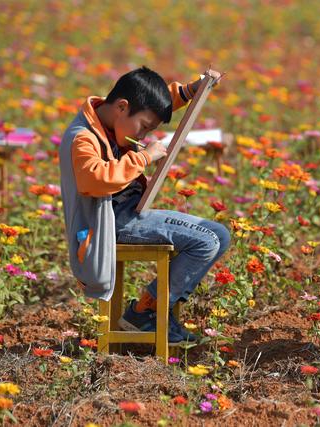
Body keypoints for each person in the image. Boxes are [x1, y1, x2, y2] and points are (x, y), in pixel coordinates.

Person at [59, 66, 230, 343]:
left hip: (129, 212)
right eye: (145, 127)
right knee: (206, 241)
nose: (144, 135)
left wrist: (189, 91)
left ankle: (148, 308)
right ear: (122, 107)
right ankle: (145, 312)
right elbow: (95, 180)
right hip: (107, 224)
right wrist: (143, 158)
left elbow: (151, 105)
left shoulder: (116, 117)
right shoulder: (83, 138)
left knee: (220, 235)